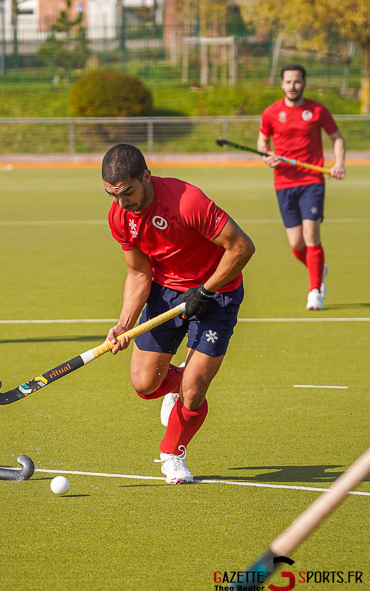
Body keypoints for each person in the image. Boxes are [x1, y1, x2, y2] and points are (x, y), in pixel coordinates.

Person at [101, 144, 255, 484]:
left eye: (128, 192)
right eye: (113, 195)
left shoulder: (187, 201)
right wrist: (124, 324)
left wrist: (206, 290)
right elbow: (139, 273)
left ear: (146, 176)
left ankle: (172, 453)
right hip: (167, 293)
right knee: (144, 384)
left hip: (219, 292)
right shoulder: (120, 218)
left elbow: (242, 247)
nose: (122, 203)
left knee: (195, 389)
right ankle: (179, 381)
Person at [258, 64, 346, 310]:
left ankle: (315, 291)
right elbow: (262, 142)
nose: (292, 86)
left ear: (304, 83)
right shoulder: (271, 112)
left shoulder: (317, 110)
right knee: (296, 244)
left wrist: (339, 162)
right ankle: (319, 269)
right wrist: (267, 156)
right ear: (282, 84)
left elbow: (337, 137)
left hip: (312, 181)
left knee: (311, 236)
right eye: (288, 82)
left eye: (297, 81)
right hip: (284, 183)